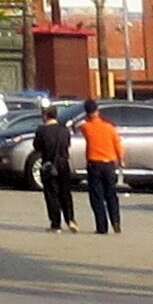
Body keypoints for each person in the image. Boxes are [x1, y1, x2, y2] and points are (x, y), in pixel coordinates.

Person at [82, 100, 126, 235]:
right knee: (111, 194)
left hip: (94, 164)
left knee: (97, 197)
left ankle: (102, 227)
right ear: (97, 111)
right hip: (109, 164)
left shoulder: (86, 127)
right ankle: (116, 221)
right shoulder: (109, 127)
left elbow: (79, 126)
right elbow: (118, 145)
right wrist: (121, 159)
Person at [33, 103, 78, 232]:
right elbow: (67, 145)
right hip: (63, 164)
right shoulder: (64, 130)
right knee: (65, 193)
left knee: (52, 195)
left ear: (46, 115)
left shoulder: (41, 130)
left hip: (48, 164)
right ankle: (70, 219)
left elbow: (37, 147)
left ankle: (56, 224)